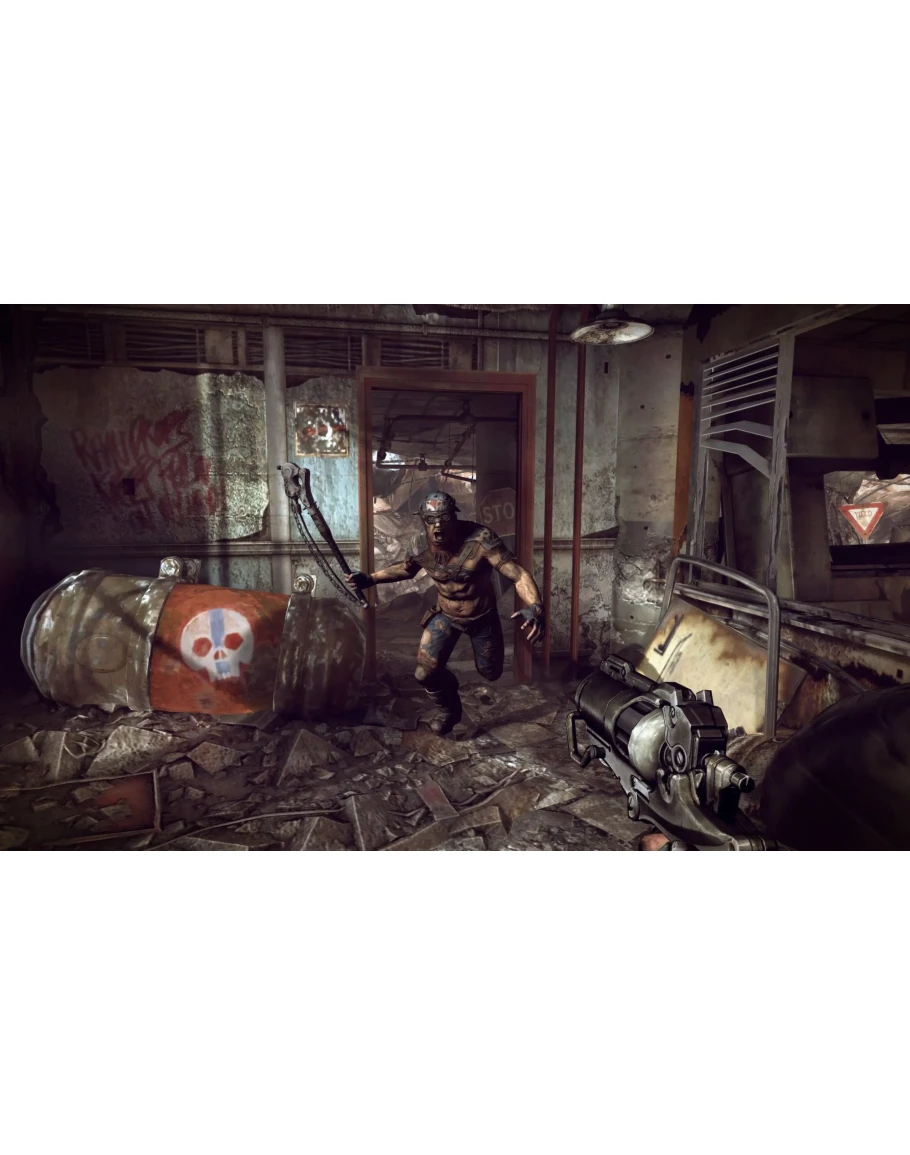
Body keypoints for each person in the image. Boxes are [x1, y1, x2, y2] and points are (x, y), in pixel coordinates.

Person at [346, 492, 545, 735]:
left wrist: (535, 606)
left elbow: (518, 575)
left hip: (482, 618)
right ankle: (450, 711)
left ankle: (451, 682)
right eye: (431, 520)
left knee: (491, 673)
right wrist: (370, 578)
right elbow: (407, 569)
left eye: (444, 518)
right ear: (423, 520)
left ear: (454, 517)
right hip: (446, 616)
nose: (438, 525)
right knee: (424, 673)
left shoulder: (480, 539)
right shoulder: (419, 544)